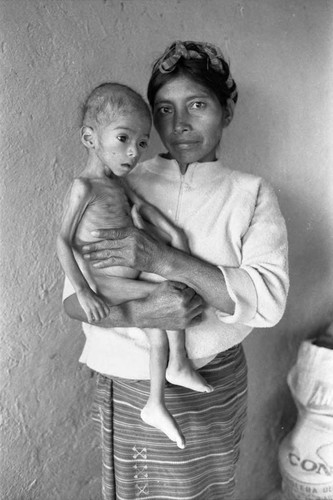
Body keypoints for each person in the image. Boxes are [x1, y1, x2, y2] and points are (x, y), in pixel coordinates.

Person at [63, 41, 289, 500]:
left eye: (198, 105)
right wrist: (144, 314)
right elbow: (73, 301)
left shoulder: (251, 193)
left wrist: (164, 261)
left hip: (215, 381)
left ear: (225, 112)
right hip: (129, 380)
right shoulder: (120, 183)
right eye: (165, 109)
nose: (179, 123)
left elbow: (267, 303)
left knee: (209, 490)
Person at [57, 82, 211, 450]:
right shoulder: (84, 187)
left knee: (173, 299)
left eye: (142, 143)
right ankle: (165, 387)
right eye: (123, 138)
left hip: (131, 273)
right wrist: (82, 289)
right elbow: (63, 241)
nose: (133, 152)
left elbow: (142, 207)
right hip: (107, 282)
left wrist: (172, 232)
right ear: (90, 138)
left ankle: (167, 383)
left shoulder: (119, 184)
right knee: (168, 306)